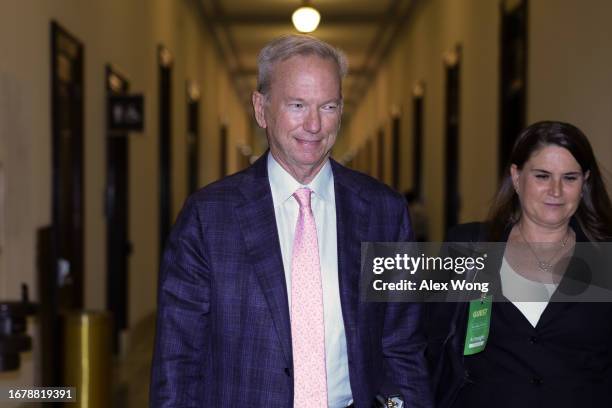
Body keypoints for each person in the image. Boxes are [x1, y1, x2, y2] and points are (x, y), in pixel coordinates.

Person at [150, 34, 432, 408]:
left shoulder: (383, 212)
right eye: (297, 105)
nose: (314, 125)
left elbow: (402, 347)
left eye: (328, 106)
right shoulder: (208, 218)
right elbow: (177, 359)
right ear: (261, 108)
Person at [426, 121, 612, 407]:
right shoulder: (468, 247)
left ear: (585, 182)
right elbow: (426, 343)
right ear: (516, 177)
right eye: (542, 176)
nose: (556, 191)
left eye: (570, 178)